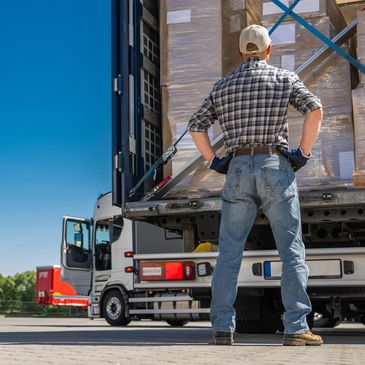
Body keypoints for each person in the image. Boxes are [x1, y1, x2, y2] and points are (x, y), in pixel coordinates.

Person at [187, 24, 324, 346]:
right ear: (268, 50)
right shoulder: (284, 78)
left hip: (236, 168)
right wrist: (302, 153)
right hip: (274, 165)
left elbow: (196, 126)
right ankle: (295, 328)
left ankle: (222, 328)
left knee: (230, 253)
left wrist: (213, 160)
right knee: (290, 250)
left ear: (239, 51)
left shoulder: (223, 86)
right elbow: (315, 110)